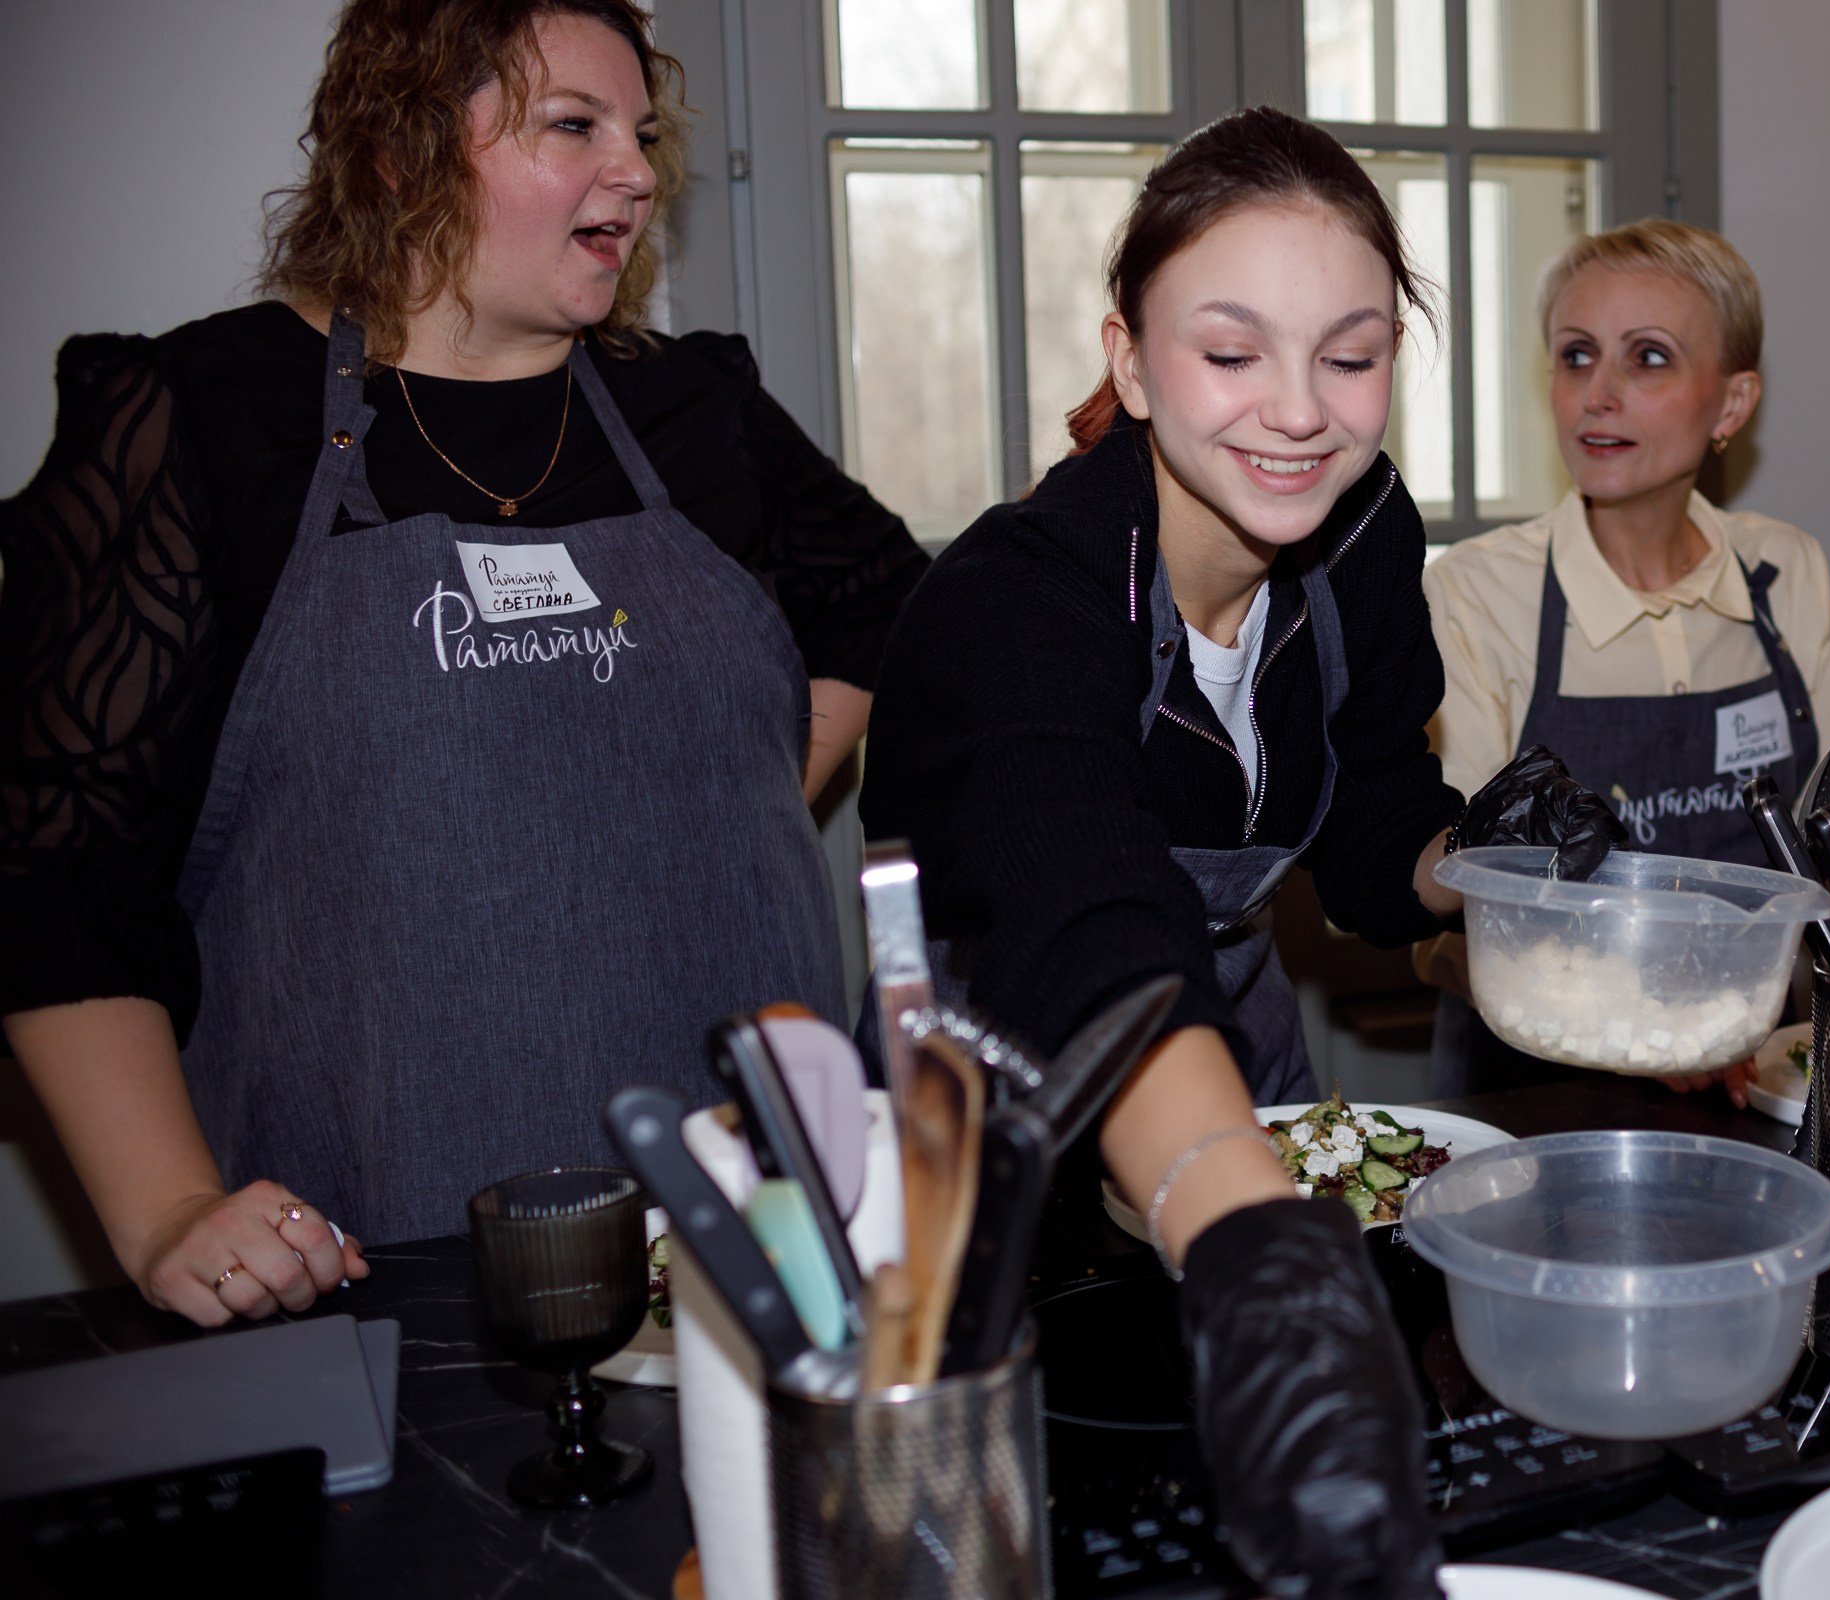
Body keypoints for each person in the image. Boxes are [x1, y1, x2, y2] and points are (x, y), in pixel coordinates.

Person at [0, 0, 926, 1327]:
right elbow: (56, 864)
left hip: (762, 1252)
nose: (636, 171)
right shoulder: (203, 419)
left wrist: (731, 805)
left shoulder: (692, 410)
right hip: (382, 1270)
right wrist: (165, 1212)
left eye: (643, 134)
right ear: (399, 151)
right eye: (573, 126)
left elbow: (882, 606)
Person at [860, 107, 1604, 1600]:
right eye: (1230, 350)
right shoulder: (1012, 603)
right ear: (1130, 360)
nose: (1301, 412)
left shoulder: (1365, 535)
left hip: (1241, 1094)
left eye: (1350, 353)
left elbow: (1366, 825)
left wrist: (1479, 860)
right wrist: (1260, 1242)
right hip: (1015, 1160)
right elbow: (1088, 924)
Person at [1420, 219, 1830, 1095]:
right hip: (1533, 1087)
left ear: (1732, 406)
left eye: (1649, 358)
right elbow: (1445, 904)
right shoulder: (1477, 594)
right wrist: (1646, 1019)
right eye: (1576, 355)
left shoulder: (1787, 572)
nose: (1599, 393)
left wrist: (1735, 1009)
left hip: (1756, 1072)